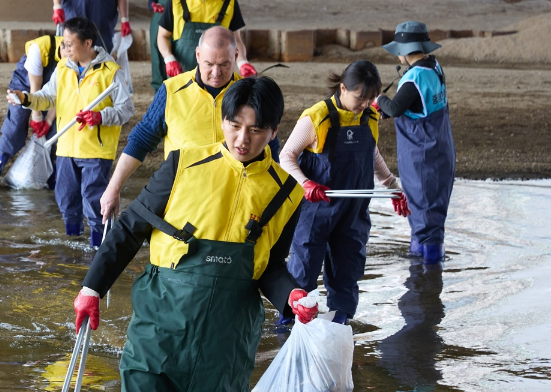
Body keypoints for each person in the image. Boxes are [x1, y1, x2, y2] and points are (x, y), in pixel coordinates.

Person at [72, 77, 316, 392]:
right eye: (235, 125)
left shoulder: (286, 192)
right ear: (223, 120)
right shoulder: (182, 164)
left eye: (256, 130)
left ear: (275, 132)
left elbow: (272, 267)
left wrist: (292, 296)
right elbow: (129, 231)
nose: (243, 139)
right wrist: (92, 289)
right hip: (158, 332)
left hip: (226, 342)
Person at [98, 26, 280, 221]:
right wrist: (113, 188)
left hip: (235, 203)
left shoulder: (251, 95)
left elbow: (269, 146)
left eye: (225, 64)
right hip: (182, 203)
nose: (216, 73)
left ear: (236, 55)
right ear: (198, 54)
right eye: (209, 64)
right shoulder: (171, 90)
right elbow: (141, 139)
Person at [280, 60, 411, 323]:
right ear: (342, 88)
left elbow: (372, 154)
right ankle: (288, 329)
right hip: (315, 211)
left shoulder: (369, 117)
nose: (365, 104)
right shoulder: (317, 117)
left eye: (371, 98)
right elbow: (286, 156)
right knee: (302, 275)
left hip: (353, 214)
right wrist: (306, 183)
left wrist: (394, 187)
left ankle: (340, 327)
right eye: (360, 98)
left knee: (346, 276)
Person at [8, 17, 134, 247]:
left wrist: (100, 117)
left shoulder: (111, 72)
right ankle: (72, 245)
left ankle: (99, 249)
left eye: (69, 44)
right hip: (65, 147)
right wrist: (25, 98)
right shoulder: (62, 68)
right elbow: (46, 98)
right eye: (63, 44)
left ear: (88, 44)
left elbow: (126, 110)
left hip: (96, 151)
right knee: (66, 199)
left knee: (94, 201)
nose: (64, 49)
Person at [376, 21, 455, 264]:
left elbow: (394, 108)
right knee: (431, 213)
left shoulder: (413, 79)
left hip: (422, 156)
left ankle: (426, 274)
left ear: (404, 49)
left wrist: (379, 98)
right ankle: (425, 272)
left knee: (422, 211)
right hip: (441, 150)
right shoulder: (434, 67)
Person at [0, 32, 61, 189]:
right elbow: (34, 89)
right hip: (26, 85)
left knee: (54, 132)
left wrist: (49, 120)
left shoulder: (75, 60)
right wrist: (37, 117)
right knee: (16, 126)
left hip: (52, 91)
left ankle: (49, 179)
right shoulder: (41, 47)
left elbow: (63, 95)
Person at [158, 0, 253, 80]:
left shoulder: (229, 3)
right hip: (181, 75)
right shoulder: (176, 1)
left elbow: (236, 40)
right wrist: (169, 59)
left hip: (217, 77)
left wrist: (242, 62)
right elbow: (162, 36)